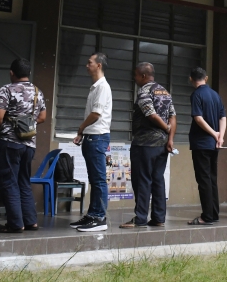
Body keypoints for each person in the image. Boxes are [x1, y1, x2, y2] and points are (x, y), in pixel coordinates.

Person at [0, 58, 46, 233]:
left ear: (11, 73)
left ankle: (15, 224)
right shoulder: (38, 92)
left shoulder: (6, 90)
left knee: (8, 182)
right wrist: (27, 126)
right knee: (23, 181)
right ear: (27, 73)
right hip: (29, 145)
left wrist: (1, 128)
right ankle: (31, 221)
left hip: (10, 143)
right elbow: (43, 117)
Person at [121, 62, 176, 229]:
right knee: (158, 179)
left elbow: (150, 114)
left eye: (136, 75)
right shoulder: (164, 92)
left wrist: (166, 128)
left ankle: (140, 218)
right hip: (163, 145)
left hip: (145, 144)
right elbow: (173, 115)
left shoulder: (144, 91)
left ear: (144, 76)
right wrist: (170, 138)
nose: (135, 78)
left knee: (142, 180)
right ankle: (159, 218)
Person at [70, 53, 112, 232]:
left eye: (90, 63)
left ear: (99, 65)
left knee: (99, 180)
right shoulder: (95, 87)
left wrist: (81, 128)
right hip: (91, 136)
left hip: (97, 136)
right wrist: (83, 133)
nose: (87, 65)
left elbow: (96, 114)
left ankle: (99, 218)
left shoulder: (103, 87)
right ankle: (92, 214)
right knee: (94, 179)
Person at [187, 67, 225, 226]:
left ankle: (207, 216)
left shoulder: (196, 94)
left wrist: (213, 133)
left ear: (191, 79)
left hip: (201, 143)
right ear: (206, 78)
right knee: (211, 179)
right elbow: (223, 117)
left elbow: (198, 118)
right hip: (214, 144)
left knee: (203, 180)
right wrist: (220, 136)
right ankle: (214, 214)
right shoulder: (215, 95)